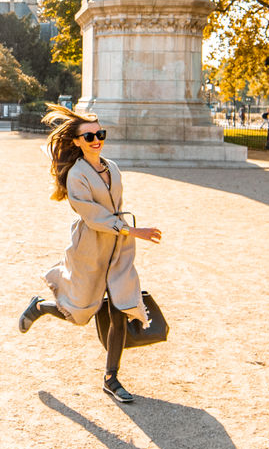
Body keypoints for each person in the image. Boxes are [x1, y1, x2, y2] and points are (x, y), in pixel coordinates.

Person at [17, 104, 163, 403]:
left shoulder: (112, 166)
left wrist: (126, 234)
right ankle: (41, 307)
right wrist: (134, 230)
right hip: (91, 249)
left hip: (118, 248)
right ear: (77, 142)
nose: (97, 139)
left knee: (121, 307)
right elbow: (94, 216)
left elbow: (113, 206)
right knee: (81, 311)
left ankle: (111, 378)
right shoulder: (76, 176)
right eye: (89, 136)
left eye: (100, 134)